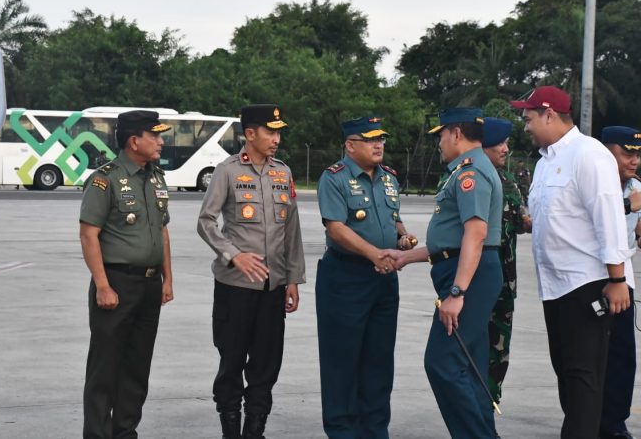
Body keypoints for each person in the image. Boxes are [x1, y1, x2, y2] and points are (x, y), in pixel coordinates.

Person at [509, 86, 631, 439]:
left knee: (583, 377)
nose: (526, 126)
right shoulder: (545, 162)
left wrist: (617, 279)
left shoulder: (589, 154)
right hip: (555, 288)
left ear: (549, 114)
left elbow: (608, 217)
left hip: (586, 284)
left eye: (529, 118)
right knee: (566, 373)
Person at [380, 107, 503, 439]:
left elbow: (475, 235)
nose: (439, 143)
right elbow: (451, 242)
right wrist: (407, 257)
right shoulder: (469, 169)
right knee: (469, 365)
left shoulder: (470, 173)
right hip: (467, 270)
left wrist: (457, 293)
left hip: (469, 278)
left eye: (442, 135)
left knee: (443, 363)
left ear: (456, 134)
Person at [197, 104, 306, 439]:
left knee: (266, 366)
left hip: (273, 288)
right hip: (235, 287)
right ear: (249, 134)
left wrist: (292, 279)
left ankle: (254, 432)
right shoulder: (227, 171)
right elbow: (206, 222)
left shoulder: (282, 172)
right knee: (231, 363)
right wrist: (234, 256)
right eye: (270, 132)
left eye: (278, 132)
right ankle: (230, 431)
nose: (277, 138)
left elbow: (291, 229)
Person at [315, 115, 416, 439]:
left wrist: (402, 237)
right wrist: (375, 254)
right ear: (350, 145)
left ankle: (375, 430)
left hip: (384, 280)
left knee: (379, 361)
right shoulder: (334, 178)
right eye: (370, 139)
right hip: (346, 278)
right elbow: (336, 228)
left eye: (381, 139)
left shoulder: (389, 178)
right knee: (341, 362)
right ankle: (342, 431)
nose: (378, 145)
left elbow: (393, 218)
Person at [79, 110, 174, 439]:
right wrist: (102, 286)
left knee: (137, 366)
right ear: (134, 141)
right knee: (105, 367)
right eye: (154, 135)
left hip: (149, 284)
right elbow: (88, 234)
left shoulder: (155, 177)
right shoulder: (105, 179)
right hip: (117, 283)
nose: (161, 141)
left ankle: (125, 432)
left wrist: (167, 279)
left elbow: (162, 231)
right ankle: (97, 434)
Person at [481, 117, 530, 406]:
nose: (506, 149)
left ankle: (490, 405)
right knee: (473, 349)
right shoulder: (470, 179)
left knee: (499, 351)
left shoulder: (509, 182)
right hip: (478, 282)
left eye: (507, 143)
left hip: (505, 284)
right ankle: (472, 412)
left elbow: (523, 222)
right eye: (500, 143)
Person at [599, 126, 641, 439]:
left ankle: (614, 423)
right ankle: (587, 420)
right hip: (591, 279)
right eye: (627, 152)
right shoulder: (597, 184)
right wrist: (630, 206)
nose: (634, 160)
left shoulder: (636, 187)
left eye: (637, 153)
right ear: (606, 152)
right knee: (587, 357)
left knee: (623, 355)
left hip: (624, 280)